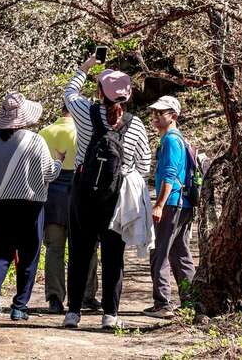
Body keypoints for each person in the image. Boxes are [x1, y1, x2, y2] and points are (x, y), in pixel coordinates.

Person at [63, 52, 152, 330]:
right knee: (113, 255)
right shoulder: (136, 125)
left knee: (80, 252)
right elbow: (145, 165)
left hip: (82, 191)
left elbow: (69, 91)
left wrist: (87, 66)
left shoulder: (84, 113)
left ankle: (73, 313)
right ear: (127, 96)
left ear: (100, 92)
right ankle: (110, 314)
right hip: (116, 197)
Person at [0, 92, 62, 322]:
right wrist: (59, 161)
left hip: (0, 206)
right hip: (31, 207)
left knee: (0, 254)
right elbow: (48, 174)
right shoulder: (35, 141)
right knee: (29, 255)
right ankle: (19, 306)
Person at [38, 105, 100, 314]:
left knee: (54, 248)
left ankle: (55, 297)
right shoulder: (85, 131)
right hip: (80, 191)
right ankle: (87, 295)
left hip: (52, 193)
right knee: (85, 246)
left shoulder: (44, 133)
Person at [144, 95, 196, 319]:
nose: (155, 117)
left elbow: (170, 174)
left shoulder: (171, 140)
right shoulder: (177, 139)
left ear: (173, 116)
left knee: (160, 252)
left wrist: (159, 205)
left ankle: (163, 304)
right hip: (183, 203)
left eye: (160, 113)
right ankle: (191, 301)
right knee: (180, 253)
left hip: (173, 203)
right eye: (154, 112)